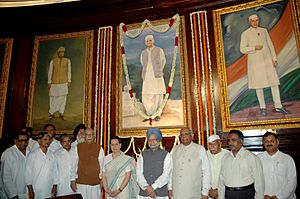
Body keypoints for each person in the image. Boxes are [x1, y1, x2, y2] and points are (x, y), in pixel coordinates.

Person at [240, 14, 290, 116]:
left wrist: (274, 58)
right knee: (259, 86)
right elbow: (242, 49)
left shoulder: (264, 30)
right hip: (255, 63)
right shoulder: (245, 33)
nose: (255, 22)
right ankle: (263, 108)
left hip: (267, 61)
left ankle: (279, 106)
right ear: (250, 22)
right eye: (253, 21)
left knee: (274, 84)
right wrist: (254, 48)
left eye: (257, 20)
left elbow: (270, 44)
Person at [218, 130, 264, 199]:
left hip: (245, 194)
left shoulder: (251, 157)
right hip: (229, 194)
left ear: (242, 141)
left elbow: (259, 182)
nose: (230, 143)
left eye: (233, 140)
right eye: (229, 140)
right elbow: (221, 181)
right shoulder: (225, 158)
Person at [169, 127, 211, 199]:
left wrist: (205, 192)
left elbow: (206, 171)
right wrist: (170, 187)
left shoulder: (200, 149)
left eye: (186, 134)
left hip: (193, 191)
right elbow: (170, 169)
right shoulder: (175, 149)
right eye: (181, 135)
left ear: (192, 135)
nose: (184, 136)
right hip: (177, 191)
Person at [258, 132, 297, 199]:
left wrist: (279, 197)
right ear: (263, 143)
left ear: (277, 142)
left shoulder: (287, 159)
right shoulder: (257, 159)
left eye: (272, 141)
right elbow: (255, 180)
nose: (269, 143)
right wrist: (262, 196)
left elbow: (292, 182)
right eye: (266, 141)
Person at [136, 128, 172, 199]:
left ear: (159, 140)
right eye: (149, 140)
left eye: (154, 139)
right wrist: (146, 187)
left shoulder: (166, 154)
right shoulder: (143, 154)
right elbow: (139, 173)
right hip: (144, 194)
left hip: (160, 193)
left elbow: (166, 174)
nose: (152, 142)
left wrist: (153, 187)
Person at [70, 128, 105, 199]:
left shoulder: (99, 148)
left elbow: (102, 165)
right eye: (86, 134)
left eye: (91, 135)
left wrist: (102, 180)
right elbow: (74, 165)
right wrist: (72, 180)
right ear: (84, 136)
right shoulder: (78, 147)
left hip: (95, 183)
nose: (89, 136)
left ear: (94, 136)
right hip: (81, 183)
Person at [140, 35, 166, 122]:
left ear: (153, 41)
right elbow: (142, 63)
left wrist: (158, 70)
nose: (149, 42)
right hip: (147, 76)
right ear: (145, 42)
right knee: (146, 95)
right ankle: (149, 114)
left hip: (156, 76)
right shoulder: (143, 53)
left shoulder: (159, 50)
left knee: (157, 95)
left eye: (150, 40)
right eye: (147, 41)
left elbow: (163, 61)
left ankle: (157, 114)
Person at [25, 131, 58, 199]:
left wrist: (55, 186)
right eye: (45, 139)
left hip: (49, 189)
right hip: (37, 190)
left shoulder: (52, 154)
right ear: (39, 141)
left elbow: (55, 171)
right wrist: (30, 190)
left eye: (49, 140)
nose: (47, 141)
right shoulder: (32, 155)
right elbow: (27, 174)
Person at [1, 131, 29, 199]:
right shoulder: (8, 154)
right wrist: (13, 195)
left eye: (26, 140)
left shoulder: (30, 152)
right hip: (12, 194)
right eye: (21, 140)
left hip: (26, 192)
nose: (24, 143)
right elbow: (6, 177)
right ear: (15, 141)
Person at [48, 46, 71, 120]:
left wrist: (69, 80)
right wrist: (49, 82)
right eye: (60, 52)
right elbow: (50, 72)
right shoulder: (53, 61)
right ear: (58, 53)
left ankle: (61, 113)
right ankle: (52, 113)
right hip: (54, 82)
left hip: (64, 82)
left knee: (63, 98)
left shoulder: (67, 60)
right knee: (54, 98)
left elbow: (69, 71)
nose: (62, 53)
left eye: (63, 52)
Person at [207, 134, 229, 199]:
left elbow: (229, 175)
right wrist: (209, 190)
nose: (212, 147)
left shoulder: (227, 155)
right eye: (210, 144)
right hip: (208, 192)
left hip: (224, 192)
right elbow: (202, 174)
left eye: (214, 144)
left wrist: (218, 190)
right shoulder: (205, 155)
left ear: (220, 144)